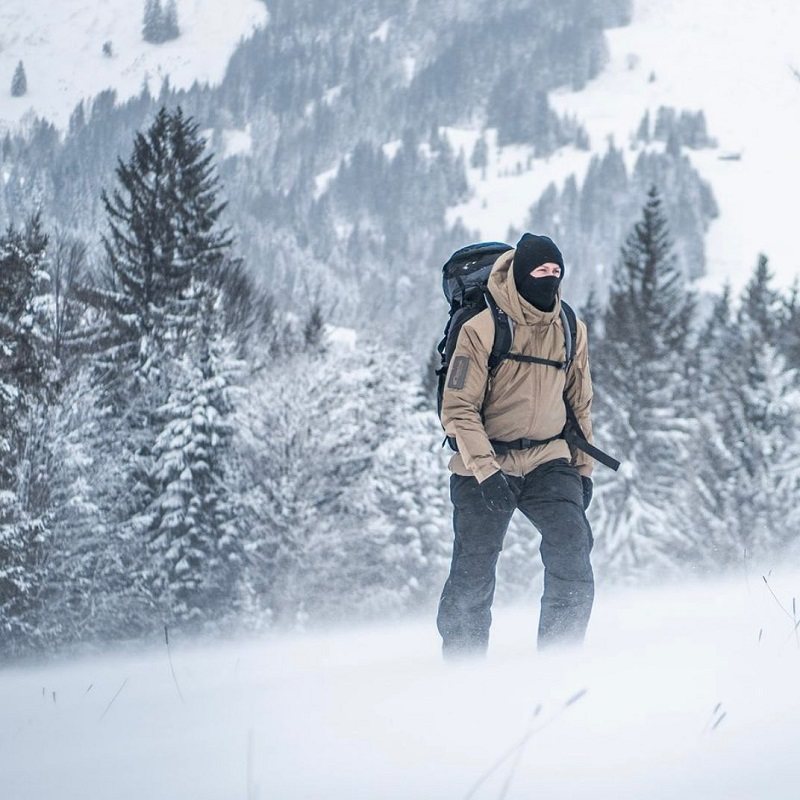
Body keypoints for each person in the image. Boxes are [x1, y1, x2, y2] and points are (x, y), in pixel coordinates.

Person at [437, 233, 595, 657]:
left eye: (556, 271)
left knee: (573, 549)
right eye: (541, 270)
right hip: (485, 462)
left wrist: (582, 469)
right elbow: (458, 407)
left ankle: (560, 659)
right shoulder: (481, 327)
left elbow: (580, 402)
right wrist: (487, 472)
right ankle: (462, 665)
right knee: (474, 567)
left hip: (549, 458)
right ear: (522, 273)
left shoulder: (569, 327)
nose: (549, 277)